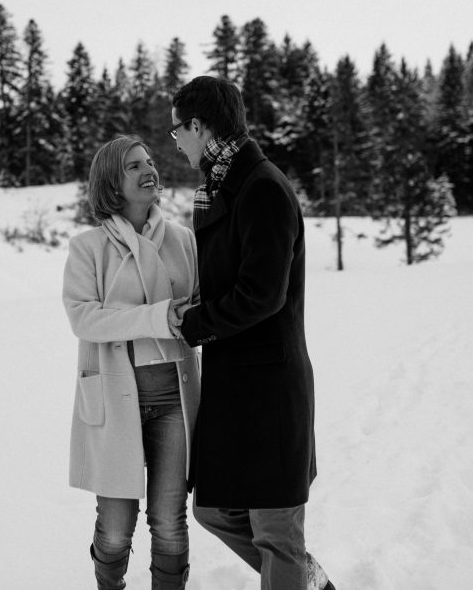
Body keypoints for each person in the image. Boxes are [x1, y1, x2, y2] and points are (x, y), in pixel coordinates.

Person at [168, 76, 335, 590]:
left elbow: (263, 294)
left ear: (199, 126)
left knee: (275, 531)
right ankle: (301, 576)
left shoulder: (261, 186)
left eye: (178, 130)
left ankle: (292, 571)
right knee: (214, 509)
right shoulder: (222, 188)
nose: (175, 141)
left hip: (268, 389)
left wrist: (194, 324)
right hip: (236, 387)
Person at [62, 135, 201, 590]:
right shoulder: (88, 248)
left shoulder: (182, 240)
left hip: (173, 402)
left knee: (168, 521)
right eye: (133, 166)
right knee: (116, 526)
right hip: (114, 400)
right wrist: (161, 316)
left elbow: (200, 307)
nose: (149, 171)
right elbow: (86, 319)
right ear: (111, 183)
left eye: (149, 161)